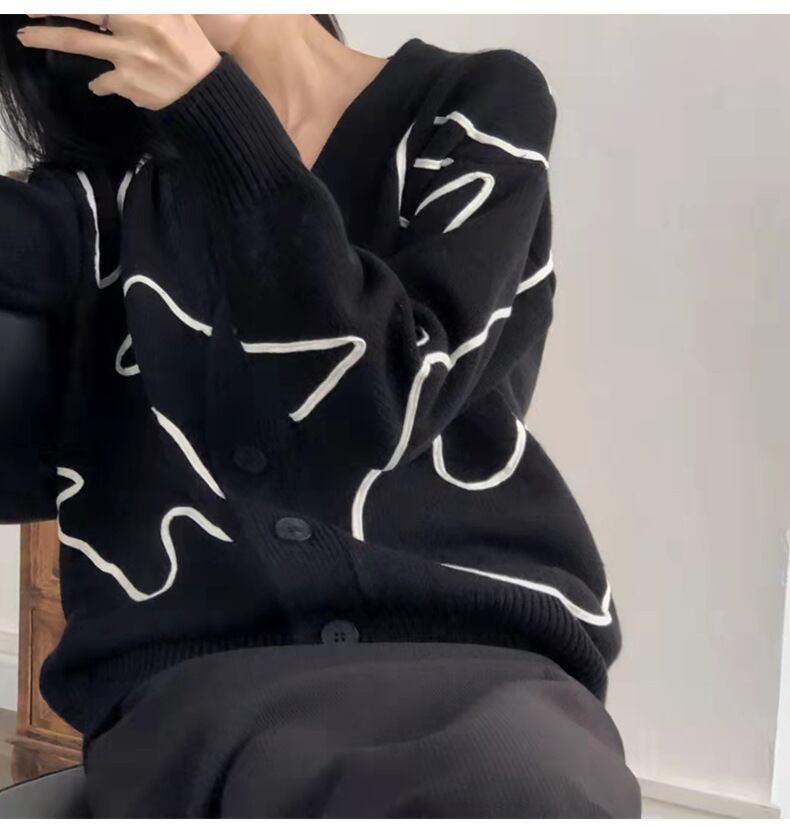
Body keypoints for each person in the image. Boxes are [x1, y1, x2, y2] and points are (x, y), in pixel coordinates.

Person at [0, 14, 641, 817]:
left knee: (523, 791)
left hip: (479, 659)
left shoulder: (474, 108)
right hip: (202, 679)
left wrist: (213, 110)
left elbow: (383, 398)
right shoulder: (102, 203)